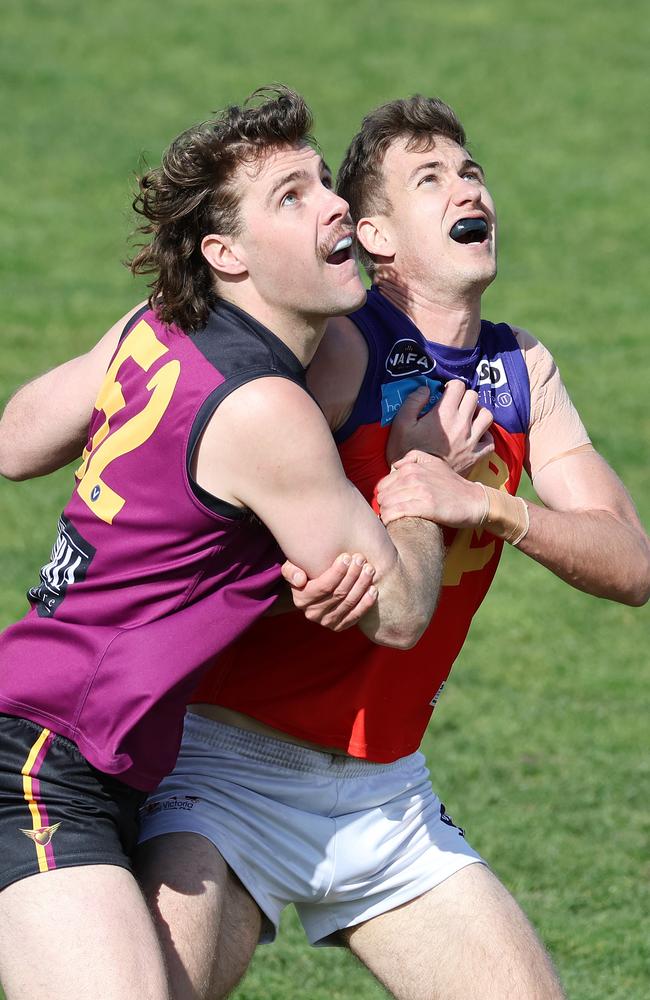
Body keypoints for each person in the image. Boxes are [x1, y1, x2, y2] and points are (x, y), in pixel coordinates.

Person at [3, 96, 649, 1000]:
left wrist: (486, 506)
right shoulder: (333, 344)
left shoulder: (521, 370)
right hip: (223, 771)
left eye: (470, 171)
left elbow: (632, 565)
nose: (467, 186)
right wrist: (381, 506)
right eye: (430, 179)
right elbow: (379, 591)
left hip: (387, 790)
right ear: (378, 235)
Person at [0, 87, 453, 1000]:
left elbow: (16, 441)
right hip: (44, 765)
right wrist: (416, 482)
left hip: (83, 746)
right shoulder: (266, 412)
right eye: (291, 195)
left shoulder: (154, 327)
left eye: (324, 181)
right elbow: (400, 612)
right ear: (226, 255)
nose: (332, 202)